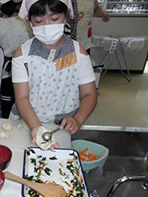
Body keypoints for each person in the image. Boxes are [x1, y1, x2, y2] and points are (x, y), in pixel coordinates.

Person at [10, 0, 97, 148]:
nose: (46, 26)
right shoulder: (21, 55)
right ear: (29, 21)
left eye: (55, 19)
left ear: (66, 17)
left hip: (61, 128)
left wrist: (78, 120)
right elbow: (22, 97)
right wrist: (36, 127)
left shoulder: (78, 53)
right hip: (27, 123)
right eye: (38, 21)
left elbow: (90, 95)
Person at [0, 0, 33, 118]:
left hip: (3, 67)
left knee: (5, 99)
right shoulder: (24, 23)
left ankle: (5, 120)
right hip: (22, 65)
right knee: (21, 97)